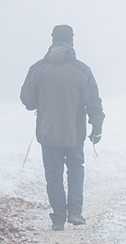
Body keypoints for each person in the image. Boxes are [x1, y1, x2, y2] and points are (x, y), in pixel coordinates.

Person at [20, 24, 104, 230]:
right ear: (71, 41)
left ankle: (58, 218)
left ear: (52, 40)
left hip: (47, 133)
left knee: (53, 175)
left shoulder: (37, 69)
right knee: (76, 170)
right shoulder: (82, 70)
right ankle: (75, 212)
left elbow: (27, 101)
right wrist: (97, 127)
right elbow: (93, 101)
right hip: (74, 133)